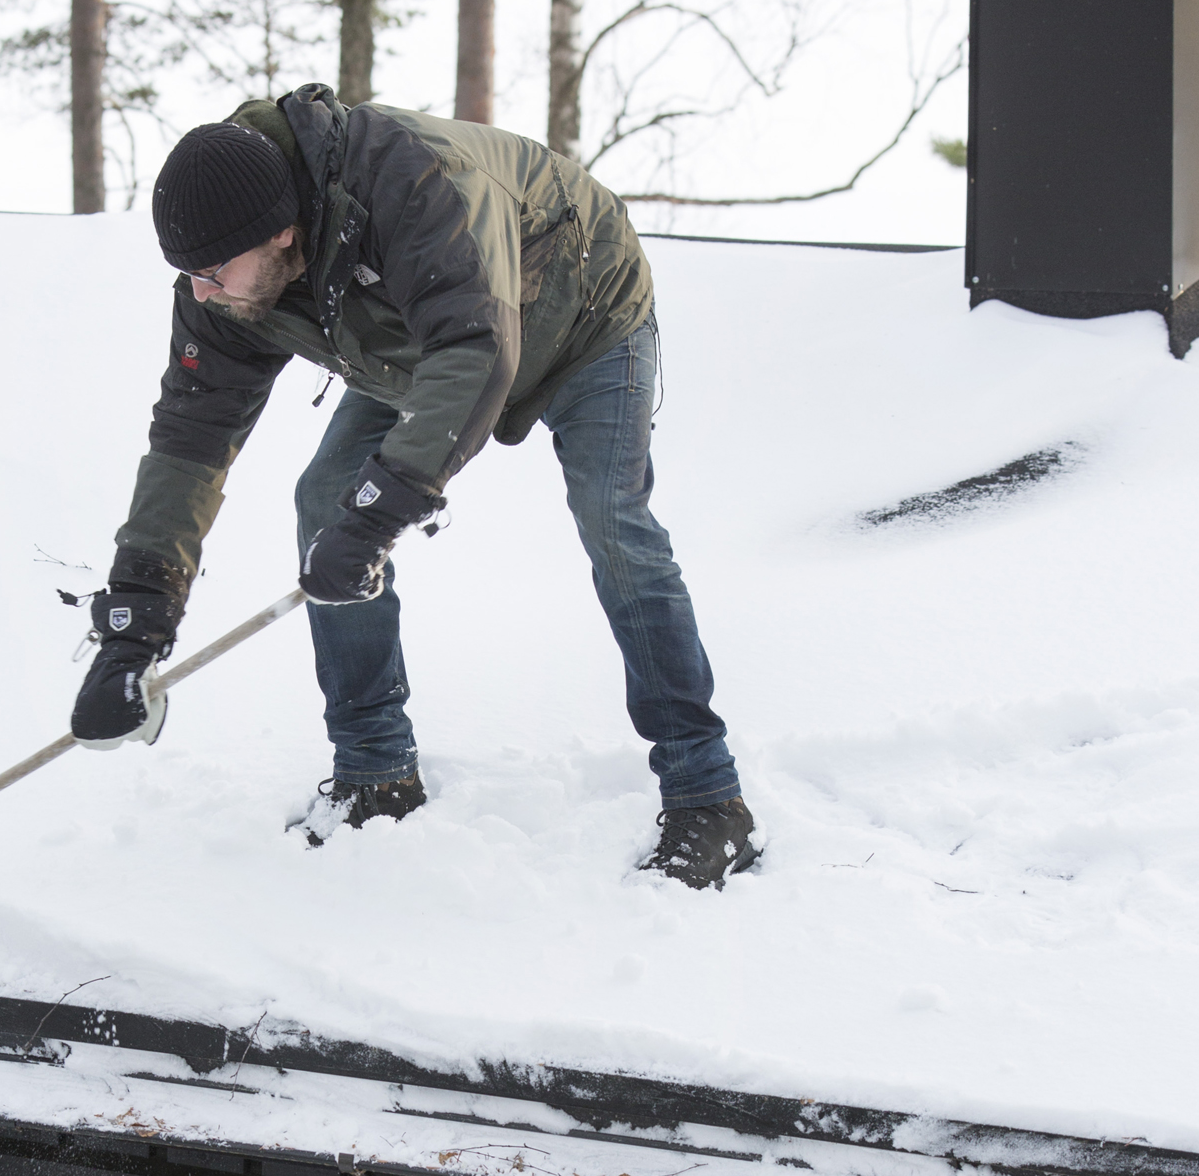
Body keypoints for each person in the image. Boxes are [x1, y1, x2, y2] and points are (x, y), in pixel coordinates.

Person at [70, 82, 758, 888]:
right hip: (417, 340)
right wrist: (135, 626)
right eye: (186, 273)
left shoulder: (414, 185)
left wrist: (376, 520)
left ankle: (709, 798)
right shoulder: (230, 266)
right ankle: (376, 774)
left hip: (582, 315)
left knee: (613, 522)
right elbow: (189, 440)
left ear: (283, 233)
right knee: (324, 500)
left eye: (213, 271)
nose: (199, 291)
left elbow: (475, 354)